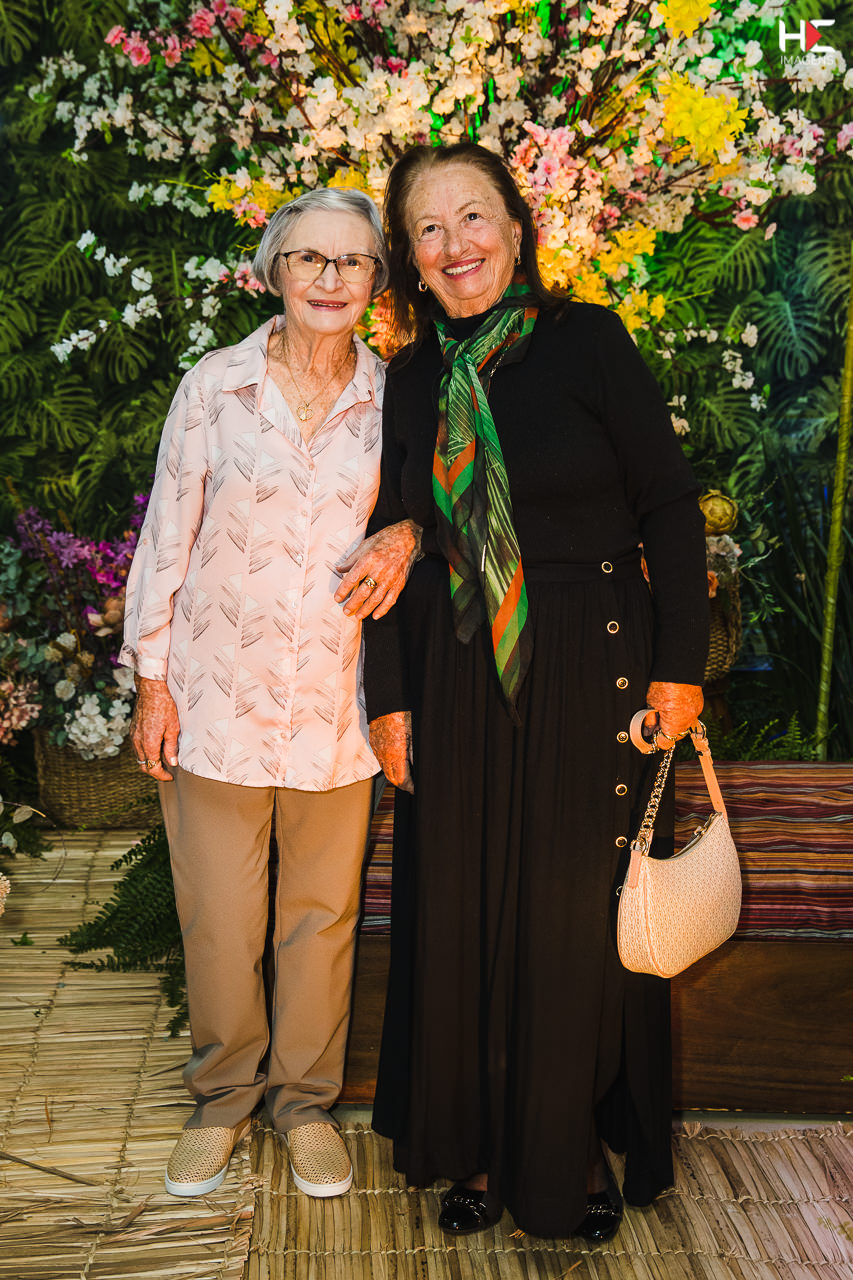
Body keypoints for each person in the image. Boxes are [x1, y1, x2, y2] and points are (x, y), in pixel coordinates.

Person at [339, 143, 709, 1241]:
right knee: (459, 906)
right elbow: (394, 533)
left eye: (473, 217)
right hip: (455, 665)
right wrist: (388, 697)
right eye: (428, 228)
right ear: (409, 258)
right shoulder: (412, 377)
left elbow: (668, 504)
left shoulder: (586, 341)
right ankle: (474, 1142)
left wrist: (680, 668)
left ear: (515, 226)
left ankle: (566, 1149)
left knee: (569, 914)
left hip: (593, 659)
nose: (455, 245)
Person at [121, 187, 392, 1201]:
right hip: (216, 698)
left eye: (352, 261)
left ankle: (304, 1104)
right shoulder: (215, 387)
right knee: (221, 917)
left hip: (335, 704)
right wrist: (152, 682)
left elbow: (429, 516)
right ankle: (223, 1098)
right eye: (310, 258)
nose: (329, 278)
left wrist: (409, 535)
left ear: (376, 280)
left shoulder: (395, 397)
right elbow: (167, 537)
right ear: (275, 268)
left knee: (320, 918)